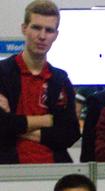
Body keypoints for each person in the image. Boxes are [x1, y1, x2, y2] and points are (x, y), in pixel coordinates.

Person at [0, 1, 80, 164]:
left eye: (49, 30)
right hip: (8, 172)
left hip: (55, 171)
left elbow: (70, 134)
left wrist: (15, 126)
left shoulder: (60, 79)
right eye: (36, 28)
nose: (42, 36)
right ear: (24, 29)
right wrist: (45, 121)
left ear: (56, 35)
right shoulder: (2, 73)